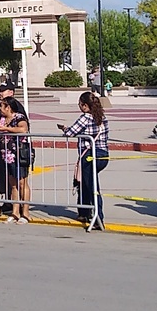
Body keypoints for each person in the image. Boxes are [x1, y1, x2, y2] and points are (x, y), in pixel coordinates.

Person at [61, 91, 110, 230]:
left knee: (93, 188)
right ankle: (84, 211)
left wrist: (65, 129)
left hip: (89, 155)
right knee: (86, 183)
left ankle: (98, 217)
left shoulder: (85, 118)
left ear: (84, 106)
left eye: (79, 104)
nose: (79, 106)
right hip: (103, 154)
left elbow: (70, 132)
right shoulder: (102, 117)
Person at [0, 95, 32, 223]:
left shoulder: (19, 117)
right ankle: (15, 211)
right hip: (7, 155)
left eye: (2, 106)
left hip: (19, 154)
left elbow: (23, 129)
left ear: (8, 107)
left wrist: (6, 129)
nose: (0, 109)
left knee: (22, 183)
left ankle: (25, 212)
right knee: (13, 184)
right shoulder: (2, 119)